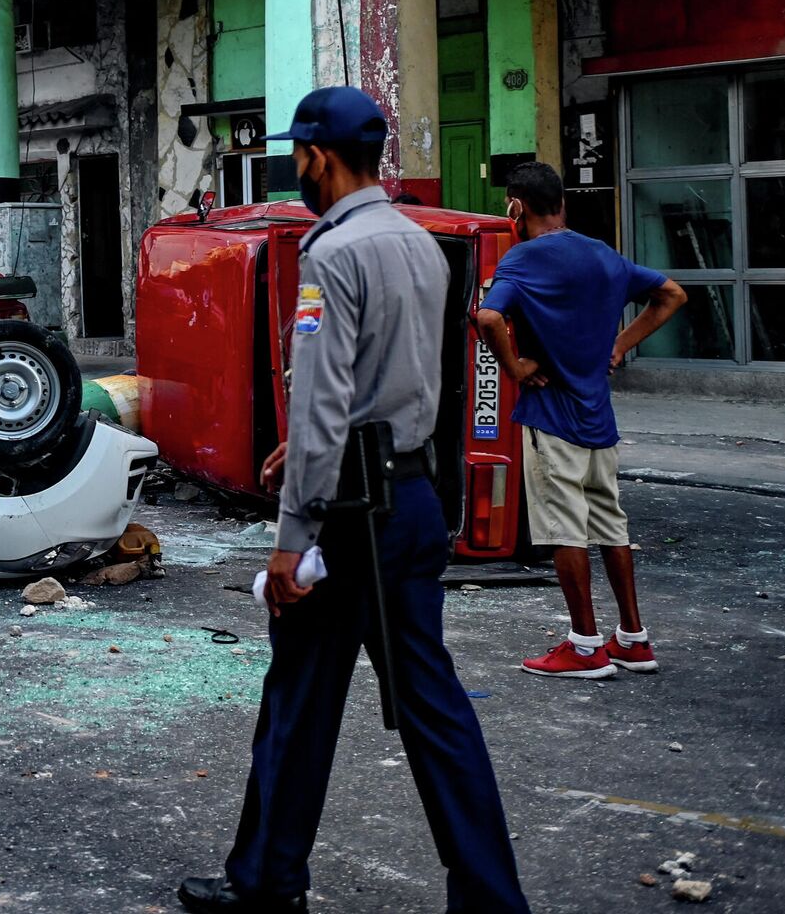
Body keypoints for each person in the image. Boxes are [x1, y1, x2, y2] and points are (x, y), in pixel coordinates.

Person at [177, 87, 529, 914]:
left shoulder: (331, 255)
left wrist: (290, 537)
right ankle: (488, 897)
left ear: (318, 158)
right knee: (431, 708)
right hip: (408, 497)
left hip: (344, 513)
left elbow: (325, 396)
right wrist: (305, 448)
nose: (294, 168)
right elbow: (395, 380)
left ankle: (267, 881)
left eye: (296, 155)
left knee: (300, 697)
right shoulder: (418, 244)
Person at [473, 162, 687, 680]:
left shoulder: (522, 260)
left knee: (564, 529)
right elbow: (672, 294)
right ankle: (633, 639)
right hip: (599, 419)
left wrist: (517, 367)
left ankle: (585, 645)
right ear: (562, 204)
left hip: (552, 420)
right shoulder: (603, 255)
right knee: (611, 526)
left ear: (516, 207)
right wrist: (620, 343)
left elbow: (487, 317)